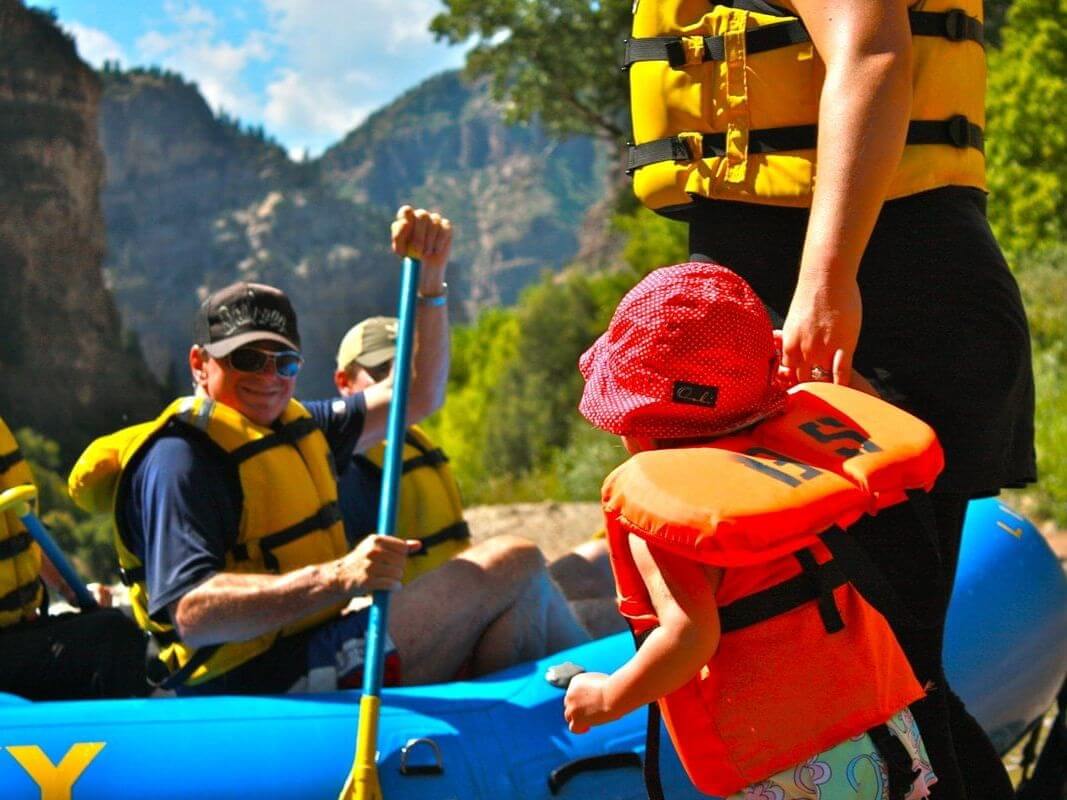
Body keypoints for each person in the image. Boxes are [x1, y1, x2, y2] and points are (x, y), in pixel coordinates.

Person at [626, 1, 1028, 795]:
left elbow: (873, 51)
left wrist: (825, 287)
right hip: (817, 299)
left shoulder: (831, 292)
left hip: (863, 309)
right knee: (885, 685)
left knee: (882, 686)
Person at [68, 206, 587, 696]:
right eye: (247, 358)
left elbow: (418, 392)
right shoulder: (180, 460)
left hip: (309, 646)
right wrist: (338, 576)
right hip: (254, 684)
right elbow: (193, 612)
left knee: (518, 597)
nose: (268, 378)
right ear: (200, 364)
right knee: (512, 562)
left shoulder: (300, 426)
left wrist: (430, 278)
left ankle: (546, 737)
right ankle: (602, 717)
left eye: (284, 362)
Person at [564, 262, 942, 799]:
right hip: (885, 732)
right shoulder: (798, 463)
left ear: (634, 419)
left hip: (788, 768)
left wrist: (606, 698)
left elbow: (688, 637)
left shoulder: (666, 509)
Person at [334, 315, 624, 635]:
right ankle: (648, 656)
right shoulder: (350, 468)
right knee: (602, 615)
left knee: (601, 560)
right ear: (344, 382)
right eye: (380, 373)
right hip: (421, 629)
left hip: (461, 600)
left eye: (407, 367)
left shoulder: (411, 445)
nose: (399, 382)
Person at [0, 416, 148, 700]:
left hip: (21, 630)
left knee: (114, 627)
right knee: (113, 638)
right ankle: (126, 740)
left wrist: (69, 589)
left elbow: (18, 531)